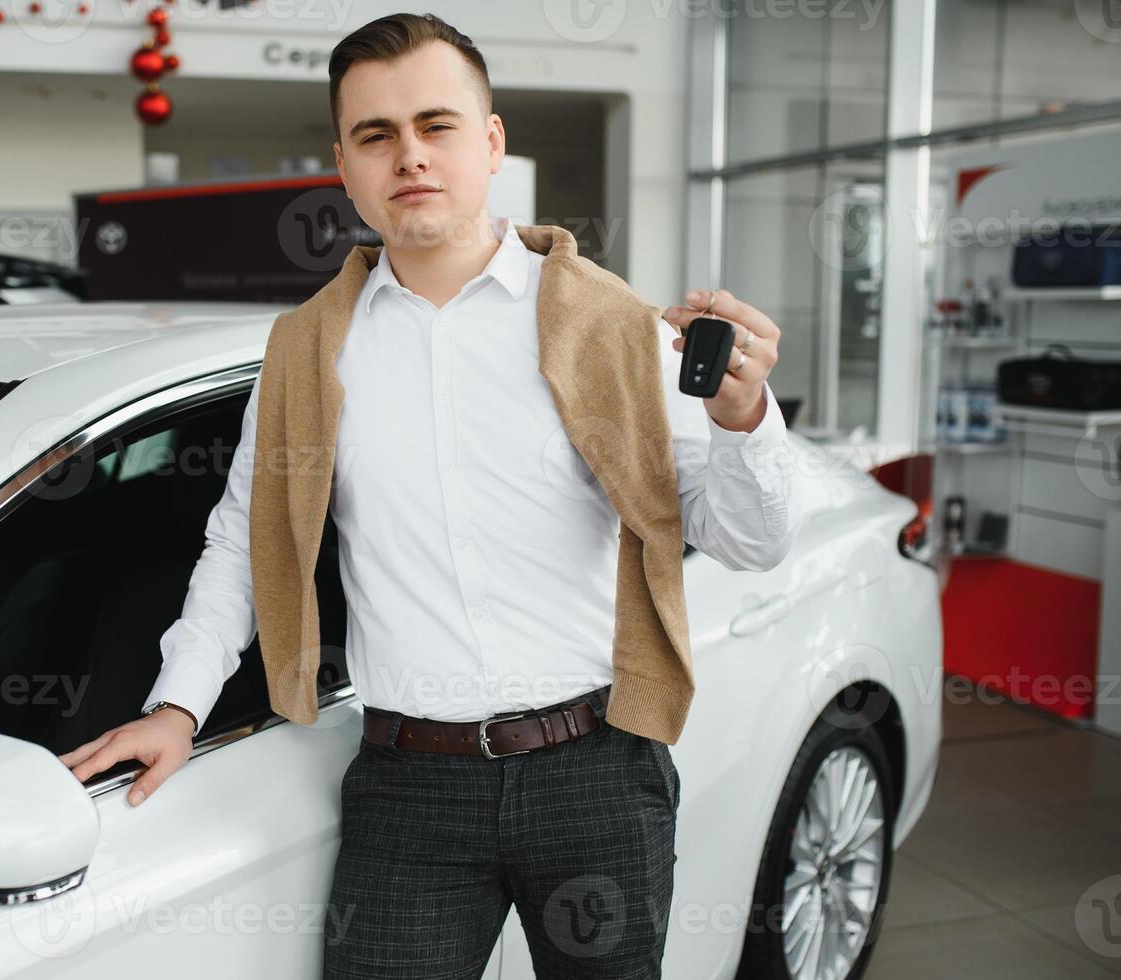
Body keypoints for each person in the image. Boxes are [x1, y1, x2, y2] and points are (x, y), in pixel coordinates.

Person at [61, 12, 800, 978]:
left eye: (437, 125)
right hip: (409, 787)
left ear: (491, 143)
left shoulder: (618, 327)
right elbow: (247, 539)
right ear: (345, 164)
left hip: (597, 768)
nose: (409, 155)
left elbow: (748, 541)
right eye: (377, 135)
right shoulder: (307, 349)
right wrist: (177, 706)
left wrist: (747, 418)